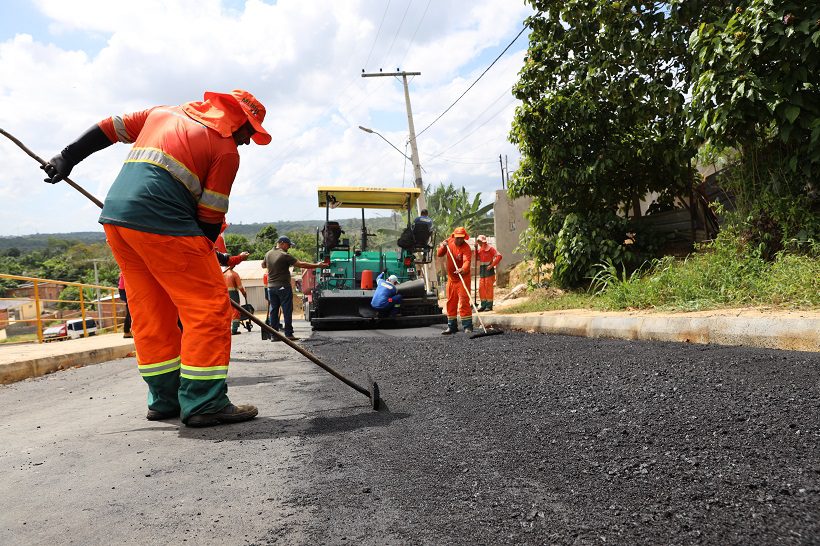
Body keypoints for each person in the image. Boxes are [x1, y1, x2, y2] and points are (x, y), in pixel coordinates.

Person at [42, 89, 271, 427]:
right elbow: (209, 219)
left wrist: (67, 157)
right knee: (208, 307)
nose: (248, 141)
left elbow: (109, 127)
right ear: (234, 121)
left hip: (117, 220)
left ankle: (165, 398)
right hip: (163, 222)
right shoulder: (225, 150)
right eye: (248, 132)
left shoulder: (163, 113)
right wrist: (206, 264)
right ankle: (204, 402)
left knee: (152, 310)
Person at [263, 236, 328, 341]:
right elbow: (301, 264)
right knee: (287, 310)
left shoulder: (268, 254)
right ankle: (288, 334)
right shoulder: (284, 255)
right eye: (288, 245)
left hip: (271, 287)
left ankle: (273, 335)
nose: (288, 247)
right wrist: (317, 265)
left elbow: (263, 265)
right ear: (282, 243)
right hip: (283, 286)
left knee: (274, 310)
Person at [436, 226, 473, 334]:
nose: (459, 240)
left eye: (461, 238)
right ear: (454, 236)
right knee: (451, 302)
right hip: (452, 279)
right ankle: (452, 326)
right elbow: (439, 254)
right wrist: (443, 246)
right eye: (457, 238)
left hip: (463, 278)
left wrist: (463, 269)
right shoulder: (448, 242)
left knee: (464, 302)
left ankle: (467, 326)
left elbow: (467, 261)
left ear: (464, 238)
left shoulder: (466, 248)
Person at [475, 234, 502, 312]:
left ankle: (489, 305)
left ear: (484, 242)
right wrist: (476, 249)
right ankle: (483, 305)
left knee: (488, 288)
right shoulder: (479, 250)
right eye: (478, 242)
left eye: (480, 242)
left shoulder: (490, 249)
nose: (479, 243)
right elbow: (477, 258)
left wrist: (492, 265)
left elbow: (499, 256)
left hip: (489, 272)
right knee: (481, 288)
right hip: (482, 272)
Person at [223, 266, 247, 335]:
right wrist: (244, 293)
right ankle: (234, 330)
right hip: (233, 295)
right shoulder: (234, 274)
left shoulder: (222, 274)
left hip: (224, 294)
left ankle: (226, 330)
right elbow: (240, 287)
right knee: (235, 312)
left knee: (227, 313)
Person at [118, 272, 132, 338]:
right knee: (130, 311)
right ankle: (126, 332)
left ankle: (128, 331)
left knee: (131, 311)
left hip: (124, 290)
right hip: (124, 290)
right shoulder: (126, 271)